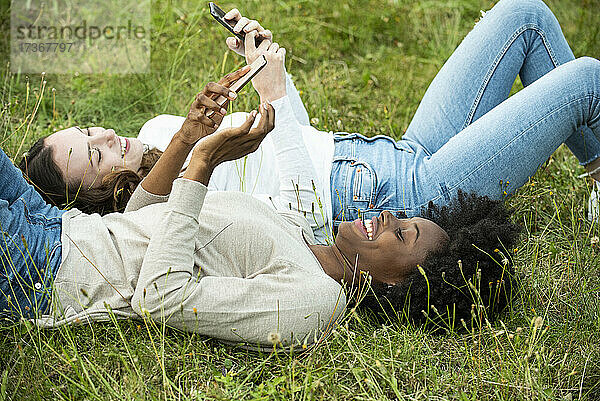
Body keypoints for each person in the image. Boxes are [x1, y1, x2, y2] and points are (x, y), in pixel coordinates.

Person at [1, 56, 519, 350]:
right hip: (56, 224)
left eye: (402, 233)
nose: (388, 215)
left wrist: (202, 169)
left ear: (396, 282)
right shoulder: (306, 232)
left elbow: (160, 299)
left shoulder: (313, 302)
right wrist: (193, 137)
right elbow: (143, 225)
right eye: (404, 216)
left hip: (46, 270)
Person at [19, 0, 600, 247]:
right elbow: (309, 225)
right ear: (94, 198)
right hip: (398, 202)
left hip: (395, 153)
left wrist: (268, 73)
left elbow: (286, 138)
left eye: (90, 131)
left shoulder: (154, 130)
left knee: (522, 14)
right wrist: (270, 96)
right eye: (93, 156)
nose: (106, 139)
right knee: (585, 80)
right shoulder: (160, 224)